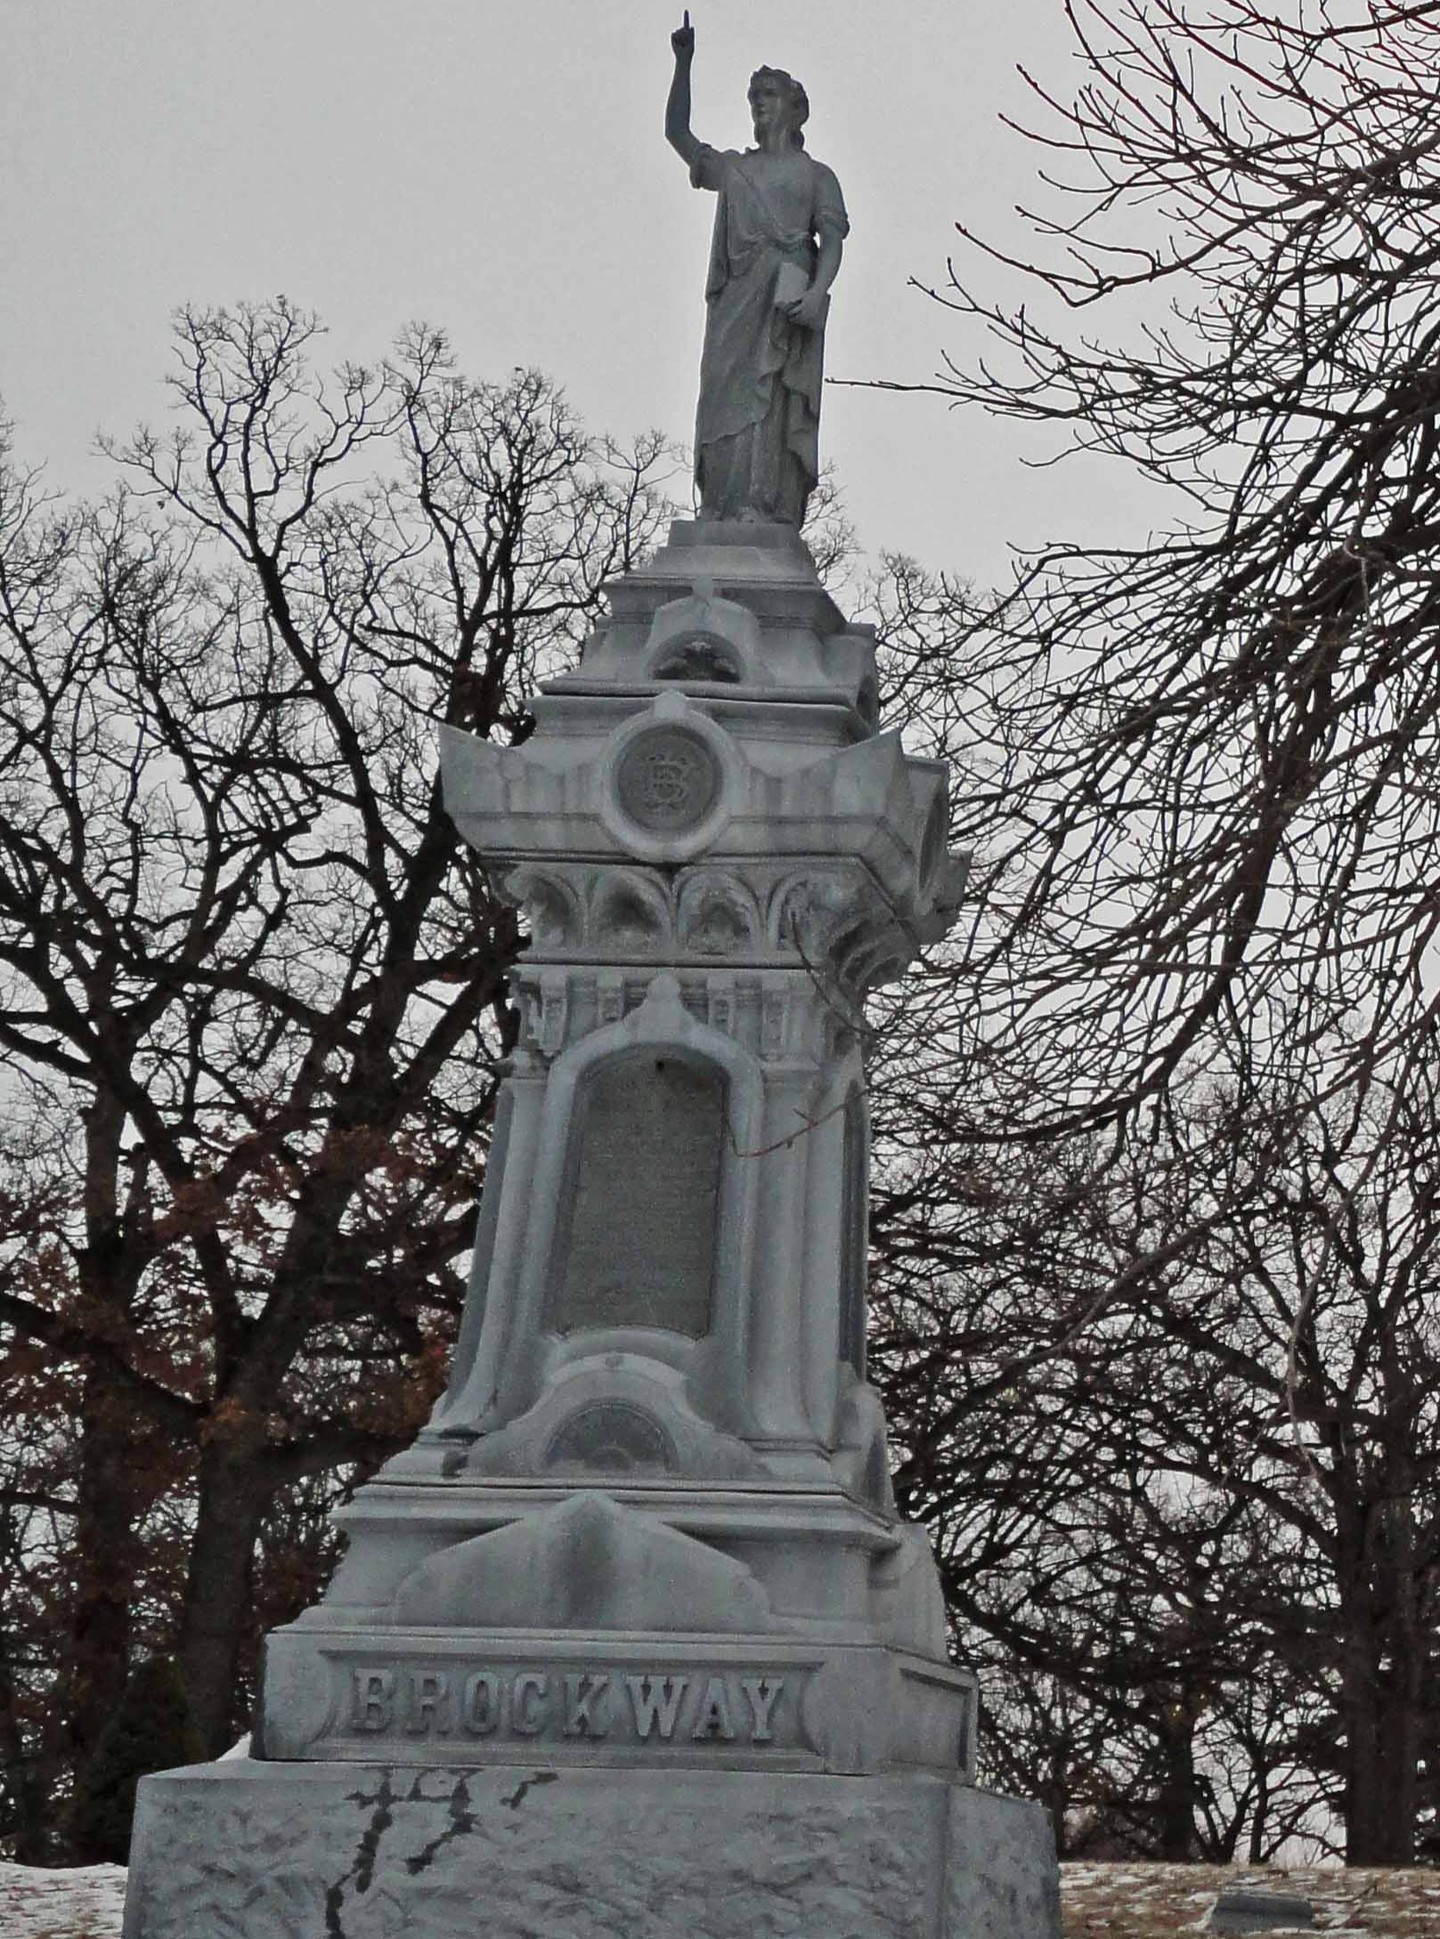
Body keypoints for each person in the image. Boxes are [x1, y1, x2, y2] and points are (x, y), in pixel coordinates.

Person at [666, 12, 848, 528]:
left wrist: (817, 291)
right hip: (735, 301)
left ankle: (761, 504)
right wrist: (684, 63)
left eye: (768, 94)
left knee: (769, 400)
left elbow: (832, 241)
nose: (758, 104)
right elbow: (677, 133)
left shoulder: (816, 176)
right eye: (754, 96)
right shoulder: (735, 169)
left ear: (794, 108)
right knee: (724, 394)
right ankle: (718, 505)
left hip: (783, 299)